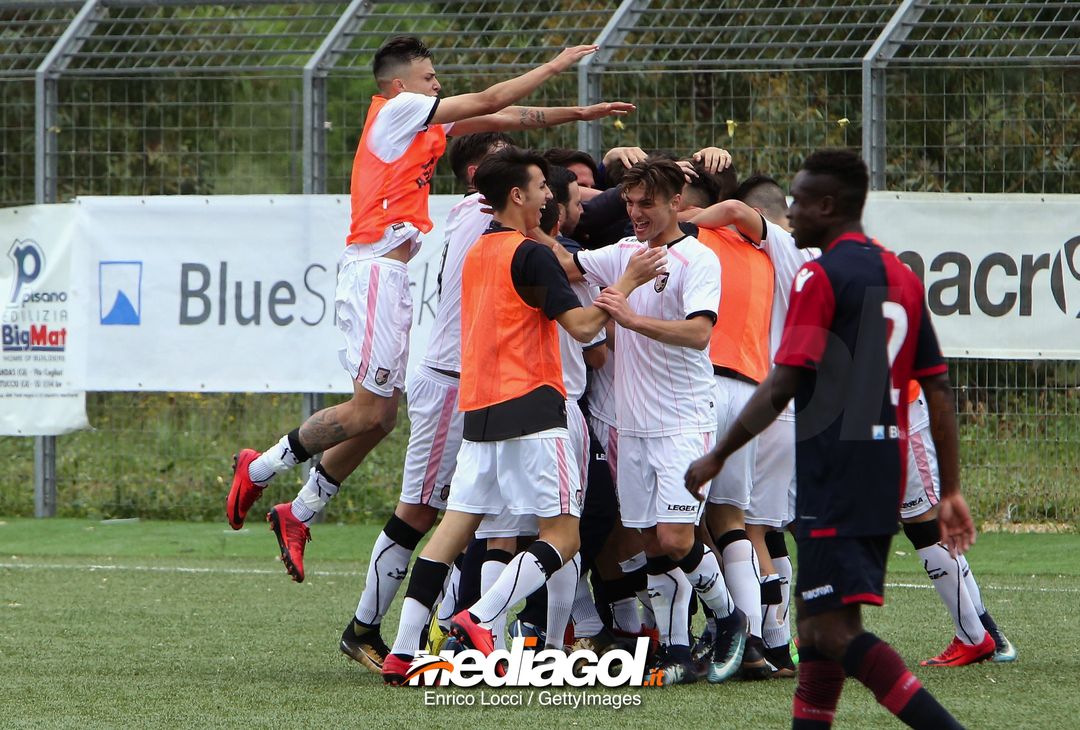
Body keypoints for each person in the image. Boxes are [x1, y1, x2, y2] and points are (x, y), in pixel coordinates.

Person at [224, 35, 635, 583]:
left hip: (391, 275)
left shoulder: (422, 125)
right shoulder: (397, 111)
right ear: (400, 85)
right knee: (370, 412)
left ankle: (298, 512)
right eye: (429, 76)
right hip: (374, 268)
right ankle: (260, 468)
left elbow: (509, 117)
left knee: (381, 415)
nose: (437, 84)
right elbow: (489, 100)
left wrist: (579, 113)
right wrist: (559, 63)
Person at [686, 149, 973, 728]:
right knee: (815, 641)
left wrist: (719, 453)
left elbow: (785, 380)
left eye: (798, 200)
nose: (790, 211)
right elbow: (938, 391)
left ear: (827, 204)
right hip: (880, 464)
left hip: (837, 467)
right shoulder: (901, 275)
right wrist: (951, 488)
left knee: (832, 632)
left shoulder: (820, 273)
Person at [381, 147, 664, 684]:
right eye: (541, 188)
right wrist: (626, 282)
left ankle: (402, 650)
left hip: (481, 413)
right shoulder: (529, 254)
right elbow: (583, 329)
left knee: (450, 535)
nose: (547, 197)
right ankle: (481, 618)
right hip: (534, 409)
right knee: (564, 536)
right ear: (517, 195)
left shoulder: (481, 252)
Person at [565, 158, 748, 686]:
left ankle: (729, 617)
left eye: (647, 203)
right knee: (647, 540)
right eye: (630, 203)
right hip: (633, 425)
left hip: (684, 422)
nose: (637, 212)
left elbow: (698, 335)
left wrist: (630, 318)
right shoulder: (622, 254)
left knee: (673, 537)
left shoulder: (698, 259)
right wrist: (523, 227)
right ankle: (675, 650)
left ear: (676, 203)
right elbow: (568, 267)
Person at [339, 131, 508, 672]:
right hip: (450, 381)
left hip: (481, 385)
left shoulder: (493, 213)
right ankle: (364, 627)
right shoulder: (479, 213)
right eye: (506, 158)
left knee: (480, 512)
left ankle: (455, 629)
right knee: (420, 509)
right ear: (478, 173)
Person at [689, 174, 818, 675]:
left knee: (742, 527)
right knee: (764, 527)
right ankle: (777, 646)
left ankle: (760, 641)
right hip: (793, 404)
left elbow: (742, 216)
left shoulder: (781, 248)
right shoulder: (817, 262)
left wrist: (683, 221)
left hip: (763, 397)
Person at [900, 383, 1017, 666]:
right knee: (916, 524)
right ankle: (982, 630)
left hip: (900, 411)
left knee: (922, 523)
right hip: (873, 414)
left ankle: (973, 637)